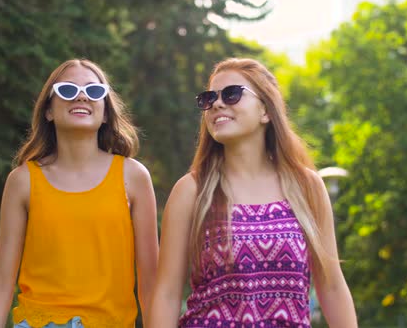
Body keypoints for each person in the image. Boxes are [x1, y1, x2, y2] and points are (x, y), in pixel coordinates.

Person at [147, 58, 357, 327]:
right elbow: (166, 294)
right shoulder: (191, 191)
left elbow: (332, 288)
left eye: (232, 94)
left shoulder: (307, 187)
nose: (217, 104)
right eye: (209, 98)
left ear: (266, 111)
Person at [0, 59, 158, 328]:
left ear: (106, 112)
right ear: (48, 110)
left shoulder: (133, 177)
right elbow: (1, 282)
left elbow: (151, 283)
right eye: (68, 90)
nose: (82, 96)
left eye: (94, 91)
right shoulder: (23, 181)